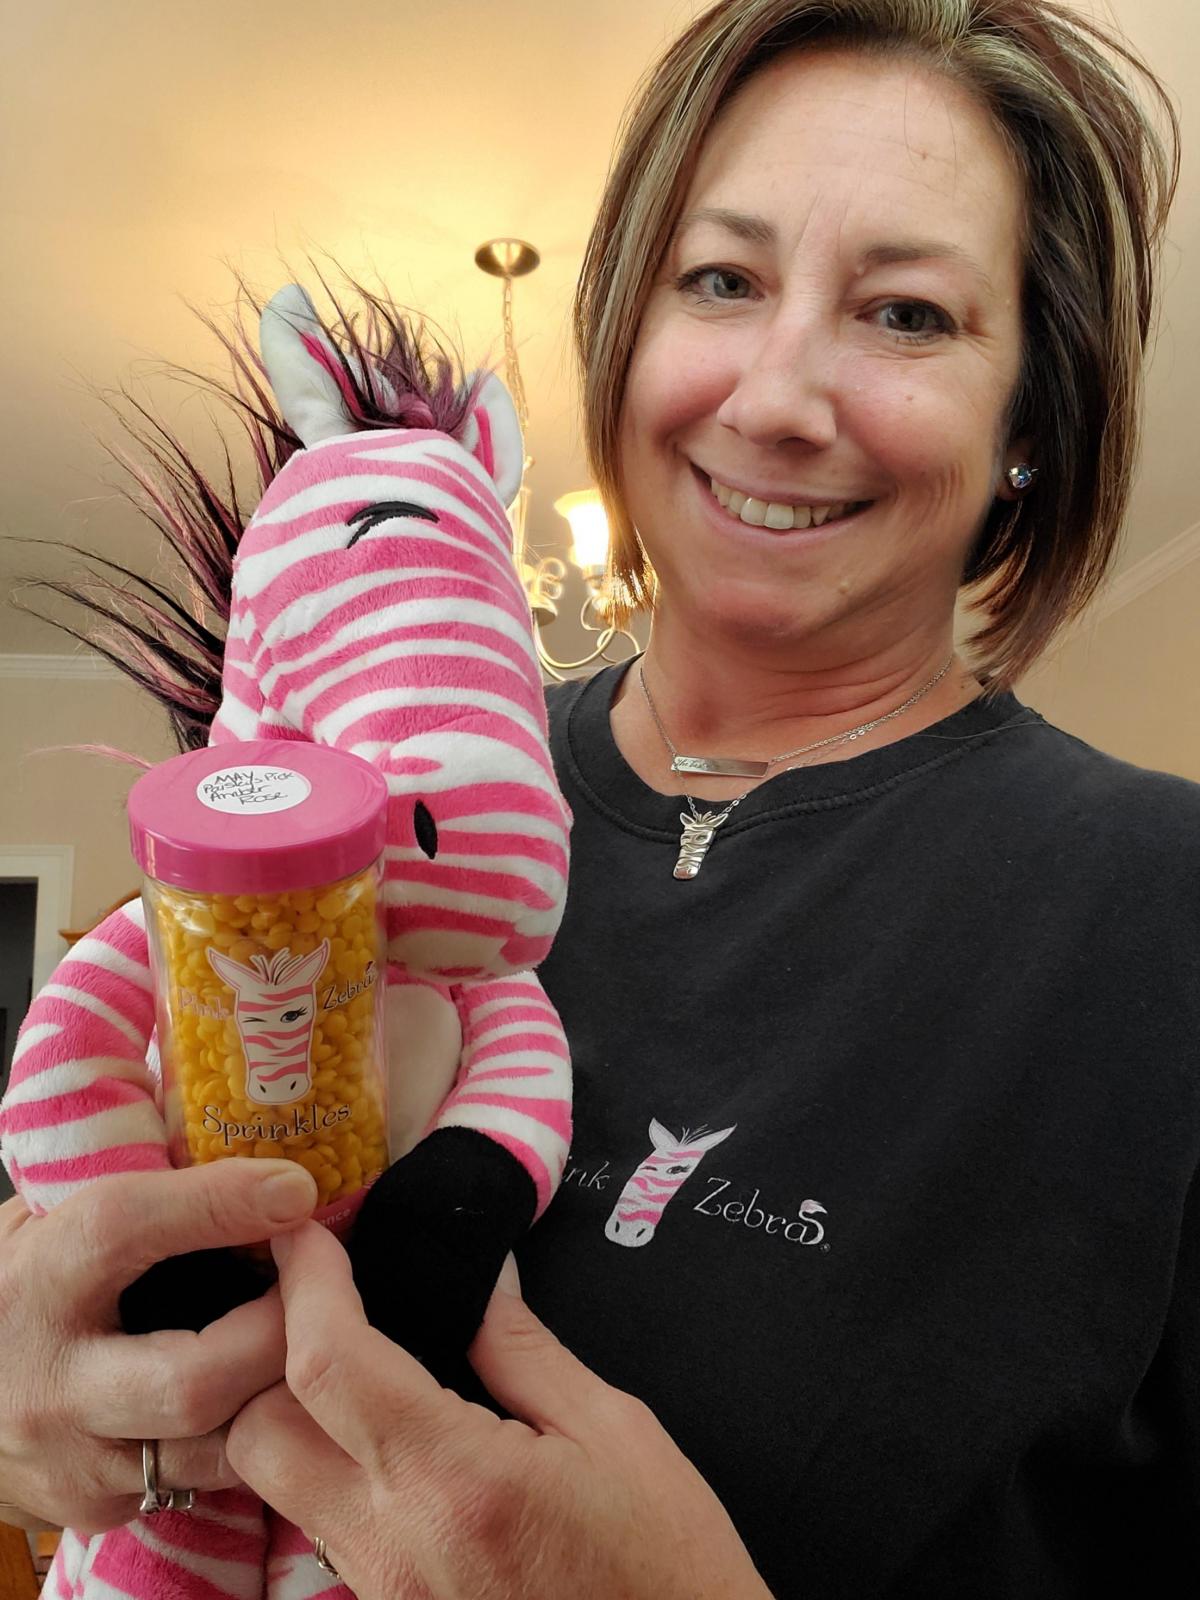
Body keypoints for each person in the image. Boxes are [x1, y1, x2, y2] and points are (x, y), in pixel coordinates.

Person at [0, 0, 1194, 1595]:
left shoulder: (1163, 911)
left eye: (907, 314)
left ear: (1028, 423)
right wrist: (39, 1402)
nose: (775, 398)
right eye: (722, 280)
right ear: (623, 330)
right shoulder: (357, 806)